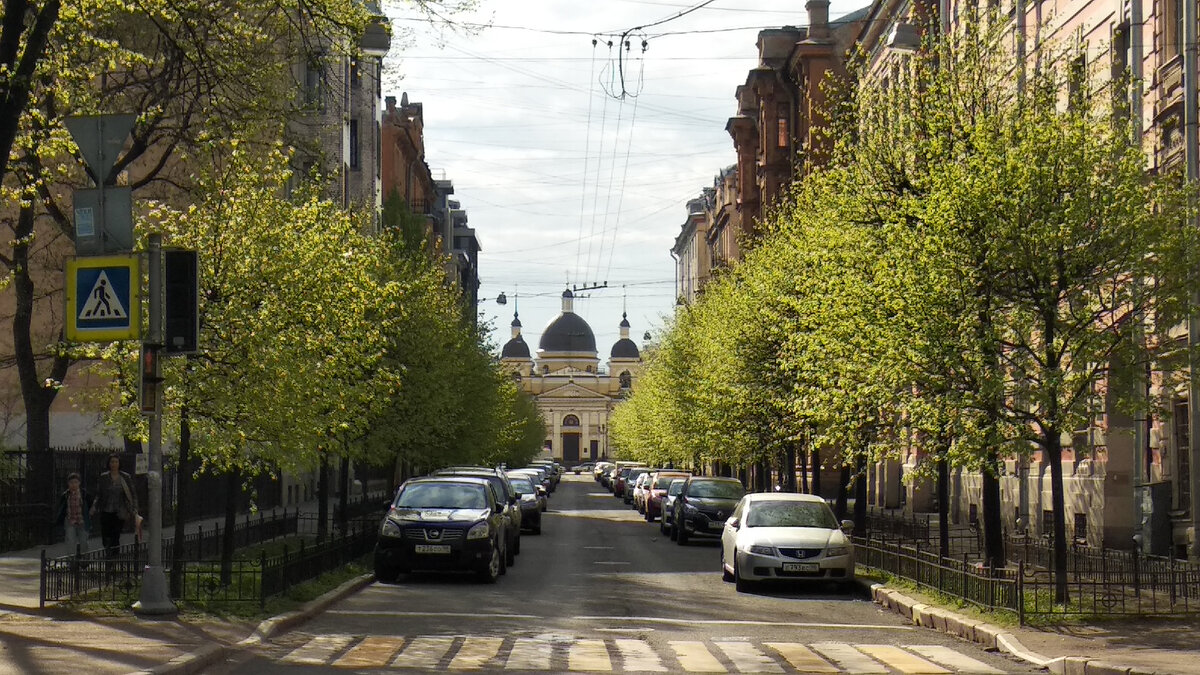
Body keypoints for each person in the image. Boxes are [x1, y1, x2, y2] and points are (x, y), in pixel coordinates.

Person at [90, 454, 138, 556]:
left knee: (115, 535)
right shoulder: (104, 477)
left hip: (119, 511)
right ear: (109, 463)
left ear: (119, 463)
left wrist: (134, 508)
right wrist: (94, 506)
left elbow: (132, 493)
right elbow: (99, 494)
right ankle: (108, 551)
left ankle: (114, 556)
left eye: (116, 462)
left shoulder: (125, 477)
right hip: (106, 510)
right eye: (112, 462)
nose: (114, 464)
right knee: (106, 534)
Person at [55, 472, 93, 552]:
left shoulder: (84, 494)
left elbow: (90, 505)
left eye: (75, 482)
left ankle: (84, 561)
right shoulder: (65, 495)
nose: (73, 485)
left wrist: (90, 513)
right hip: (70, 521)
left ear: (79, 483)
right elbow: (62, 508)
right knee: (70, 542)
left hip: (82, 521)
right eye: (71, 482)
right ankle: (71, 562)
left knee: (84, 542)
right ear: (68, 483)